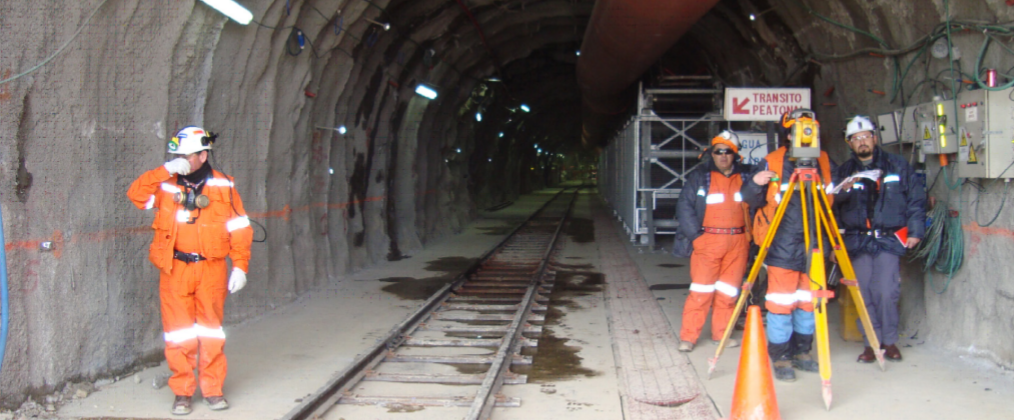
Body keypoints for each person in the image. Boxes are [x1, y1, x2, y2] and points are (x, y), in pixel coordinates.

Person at [127, 126, 254, 415]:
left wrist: (240, 267)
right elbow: (136, 195)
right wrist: (163, 170)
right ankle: (182, 393)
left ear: (203, 155)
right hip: (175, 268)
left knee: (211, 332)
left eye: (187, 155)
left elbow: (239, 229)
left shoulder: (223, 186)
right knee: (178, 334)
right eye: (178, 156)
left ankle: (212, 390)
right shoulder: (166, 183)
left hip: (210, 269)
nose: (182, 159)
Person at [741, 109, 834, 382]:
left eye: (808, 130)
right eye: (798, 130)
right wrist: (754, 184)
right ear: (787, 134)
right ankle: (780, 355)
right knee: (781, 303)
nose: (804, 136)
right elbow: (749, 198)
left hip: (813, 243)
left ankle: (803, 351)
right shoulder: (772, 161)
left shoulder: (823, 161)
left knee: (808, 303)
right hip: (781, 243)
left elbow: (829, 200)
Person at [833, 115, 925, 363]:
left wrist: (916, 231)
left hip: (887, 239)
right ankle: (871, 344)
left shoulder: (897, 165)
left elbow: (916, 199)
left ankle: (889, 341)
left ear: (874, 138)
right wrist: (843, 191)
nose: (862, 142)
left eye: (865, 137)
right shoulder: (843, 172)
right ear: (849, 143)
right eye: (855, 139)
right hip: (857, 241)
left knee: (886, 291)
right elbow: (831, 209)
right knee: (863, 295)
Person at [675, 131, 752, 352]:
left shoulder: (745, 176)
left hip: (738, 242)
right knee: (701, 292)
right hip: (708, 240)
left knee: (728, 293)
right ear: (712, 153)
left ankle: (722, 334)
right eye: (718, 151)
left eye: (728, 151)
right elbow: (684, 207)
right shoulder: (700, 176)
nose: (723, 156)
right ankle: (688, 337)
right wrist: (697, 239)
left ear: (735, 155)